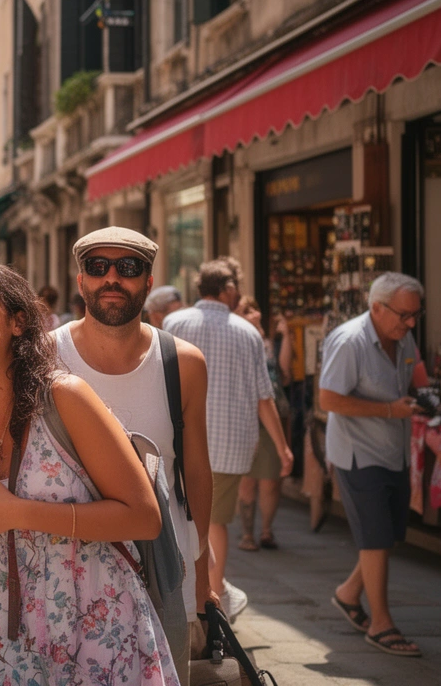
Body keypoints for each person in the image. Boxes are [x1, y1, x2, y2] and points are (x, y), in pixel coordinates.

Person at [0, 261, 176, 685]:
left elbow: (144, 517)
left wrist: (18, 513)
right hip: (9, 640)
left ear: (18, 322)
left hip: (99, 629)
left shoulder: (64, 396)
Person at [52, 226, 213, 684]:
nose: (111, 279)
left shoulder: (183, 362)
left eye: (127, 268)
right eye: (97, 267)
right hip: (68, 572)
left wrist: (204, 572)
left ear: (147, 280)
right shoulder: (46, 357)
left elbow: (196, 472)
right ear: (80, 280)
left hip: (163, 570)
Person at [163, 260, 293, 623]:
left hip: (178, 436)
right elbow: (262, 396)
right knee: (214, 522)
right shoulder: (247, 332)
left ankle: (199, 592)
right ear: (230, 289)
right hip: (228, 440)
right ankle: (210, 601)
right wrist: (282, 446)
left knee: (182, 517)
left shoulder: (175, 322)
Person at [320, 272, 425, 657]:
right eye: (403, 314)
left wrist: (427, 395)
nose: (410, 322)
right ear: (376, 308)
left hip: (392, 450)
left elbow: (415, 372)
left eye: (416, 315)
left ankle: (349, 595)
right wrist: (387, 409)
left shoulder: (403, 336)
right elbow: (328, 399)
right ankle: (381, 624)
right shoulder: (350, 341)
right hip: (358, 453)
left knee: (389, 535)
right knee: (377, 536)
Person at [234, 297, 293, 552]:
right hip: (245, 415)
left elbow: (286, 373)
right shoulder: (236, 340)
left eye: (255, 308)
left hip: (274, 413)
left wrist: (287, 335)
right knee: (247, 480)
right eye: (246, 311)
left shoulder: (269, 342)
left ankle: (267, 531)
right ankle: (247, 534)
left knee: (271, 478)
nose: (254, 314)